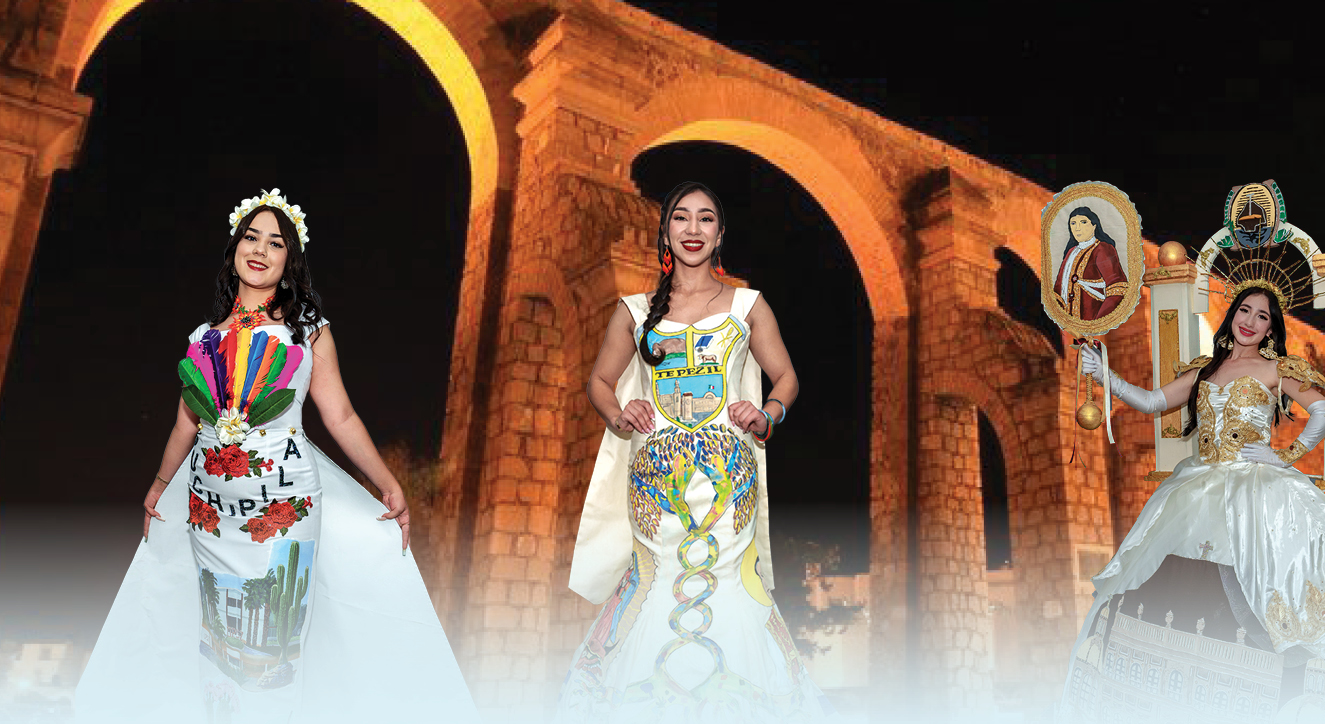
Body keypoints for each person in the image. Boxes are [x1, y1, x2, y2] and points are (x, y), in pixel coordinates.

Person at [73, 189, 476, 723]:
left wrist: (387, 483)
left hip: (283, 509)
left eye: (276, 242)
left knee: (271, 649)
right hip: (209, 517)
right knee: (218, 647)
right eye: (251, 237)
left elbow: (341, 417)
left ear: (290, 262)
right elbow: (183, 424)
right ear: (235, 249)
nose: (260, 249)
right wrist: (157, 484)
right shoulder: (203, 338)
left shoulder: (308, 332)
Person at [1060, 280, 1325, 721]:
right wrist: (1101, 372)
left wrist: (1285, 456)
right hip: (1199, 487)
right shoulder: (1205, 370)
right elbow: (1150, 402)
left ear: (1270, 329)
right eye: (1245, 311)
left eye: (1263, 317)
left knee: (1282, 583)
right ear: (1233, 314)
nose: (1251, 322)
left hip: (1259, 489)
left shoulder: (1276, 369)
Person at [558, 181, 831, 720]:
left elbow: (787, 378)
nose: (692, 229)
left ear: (720, 233)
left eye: (705, 219)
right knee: (654, 579)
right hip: (656, 480)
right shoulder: (635, 310)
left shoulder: (748, 305)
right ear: (667, 231)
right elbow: (599, 381)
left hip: (729, 481)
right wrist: (617, 414)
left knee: (732, 579)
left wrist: (766, 413)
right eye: (681, 218)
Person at [1055, 206, 1129, 321]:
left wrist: (1097, 323)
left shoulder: (1102, 249)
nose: (1077, 228)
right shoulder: (1071, 251)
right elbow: (1058, 289)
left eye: (1083, 222)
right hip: (1069, 326)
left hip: (1092, 321)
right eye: (1073, 224)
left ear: (1094, 225)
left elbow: (1117, 288)